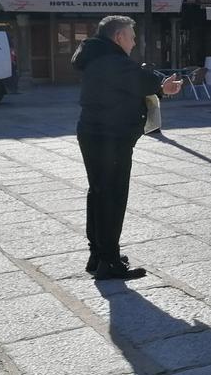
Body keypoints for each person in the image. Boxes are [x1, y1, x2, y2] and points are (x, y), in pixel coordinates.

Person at [73, 15, 182, 280]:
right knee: (112, 196)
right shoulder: (111, 60)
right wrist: (163, 87)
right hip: (110, 137)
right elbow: (141, 81)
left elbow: (131, 80)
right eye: (132, 37)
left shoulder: (96, 55)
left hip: (94, 133)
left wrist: (158, 86)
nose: (134, 43)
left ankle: (98, 255)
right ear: (119, 36)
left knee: (98, 193)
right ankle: (109, 262)